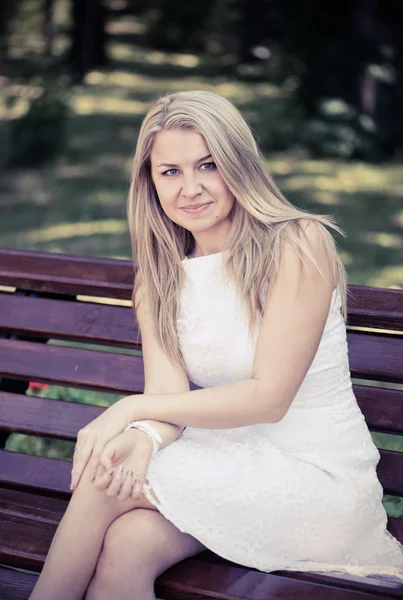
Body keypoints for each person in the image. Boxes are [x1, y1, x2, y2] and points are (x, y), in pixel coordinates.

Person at [29, 90, 403, 600]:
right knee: (126, 544)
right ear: (150, 181)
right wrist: (145, 437)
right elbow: (167, 397)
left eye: (208, 165)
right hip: (227, 468)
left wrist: (131, 409)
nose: (191, 188)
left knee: (102, 480)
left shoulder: (296, 243)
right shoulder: (159, 276)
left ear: (238, 164)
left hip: (314, 481)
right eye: (170, 172)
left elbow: (268, 399)